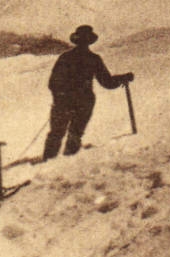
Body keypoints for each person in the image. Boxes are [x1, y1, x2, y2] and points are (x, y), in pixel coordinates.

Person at [43, 25, 134, 161]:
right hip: (84, 102)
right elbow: (107, 82)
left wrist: (60, 97)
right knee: (75, 133)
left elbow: (53, 83)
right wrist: (123, 78)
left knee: (57, 133)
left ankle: (48, 162)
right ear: (89, 42)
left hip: (65, 102)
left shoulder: (66, 57)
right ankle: (68, 160)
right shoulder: (93, 59)